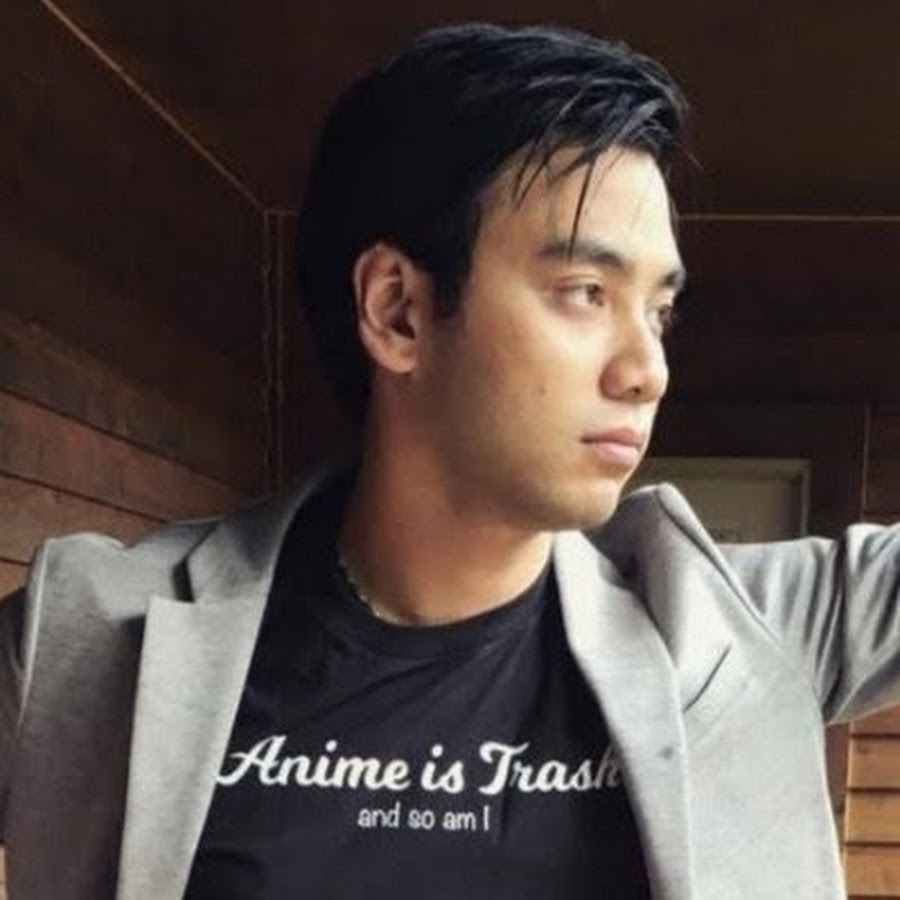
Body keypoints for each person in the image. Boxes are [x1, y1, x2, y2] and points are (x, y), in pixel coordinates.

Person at [0, 21, 897, 900]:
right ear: (398, 311)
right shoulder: (88, 640)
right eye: (586, 292)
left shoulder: (743, 632)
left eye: (657, 311)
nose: (647, 370)